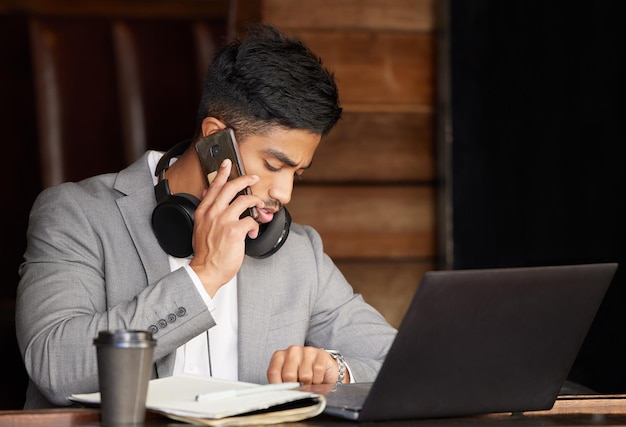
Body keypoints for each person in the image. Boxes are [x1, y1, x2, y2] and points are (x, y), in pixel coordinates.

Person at [16, 23, 397, 409]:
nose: (285, 193)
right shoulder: (77, 214)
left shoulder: (300, 253)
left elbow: (399, 360)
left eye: (297, 173)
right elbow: (54, 366)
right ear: (215, 138)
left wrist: (336, 369)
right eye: (272, 165)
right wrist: (204, 276)